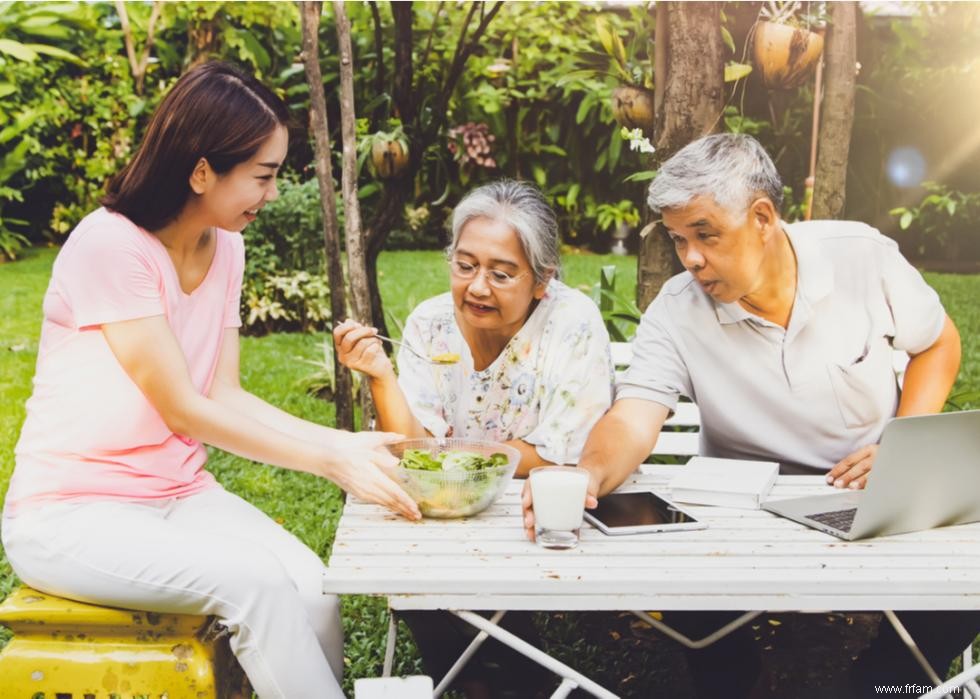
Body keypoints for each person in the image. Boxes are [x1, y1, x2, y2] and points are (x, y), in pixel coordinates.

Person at [1, 61, 420, 699]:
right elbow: (183, 410)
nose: (273, 194)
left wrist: (340, 444)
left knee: (313, 591)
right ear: (202, 172)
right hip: (71, 513)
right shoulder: (110, 248)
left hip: (178, 494)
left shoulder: (227, 246)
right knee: (256, 585)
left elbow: (222, 393)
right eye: (263, 175)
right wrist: (328, 460)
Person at [521, 133, 978, 698]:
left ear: (762, 217)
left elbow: (938, 343)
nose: (690, 258)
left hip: (867, 490)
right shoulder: (676, 310)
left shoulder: (861, 257)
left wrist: (899, 447)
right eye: (678, 238)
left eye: (705, 235)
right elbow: (635, 415)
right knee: (687, 580)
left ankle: (885, 681)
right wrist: (586, 475)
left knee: (967, 575)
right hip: (740, 512)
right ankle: (736, 681)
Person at [335, 179, 615, 697]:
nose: (477, 287)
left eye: (501, 273)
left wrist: (453, 466)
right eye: (465, 266)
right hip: (447, 507)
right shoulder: (430, 325)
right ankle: (481, 684)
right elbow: (412, 450)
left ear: (541, 280)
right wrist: (379, 375)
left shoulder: (572, 325)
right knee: (408, 535)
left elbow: (560, 455)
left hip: (535, 513)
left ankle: (515, 684)